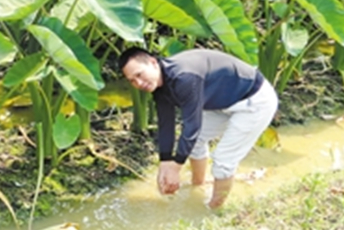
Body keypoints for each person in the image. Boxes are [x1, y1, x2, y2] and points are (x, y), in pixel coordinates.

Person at [118, 47, 278, 209]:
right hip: (222, 103)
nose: (138, 83)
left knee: (223, 160)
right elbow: (166, 124)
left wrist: (176, 167)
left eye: (139, 74)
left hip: (254, 101)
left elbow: (192, 126)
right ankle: (198, 186)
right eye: (132, 80)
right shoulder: (159, 84)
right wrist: (165, 162)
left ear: (153, 63)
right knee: (195, 143)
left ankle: (214, 210)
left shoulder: (184, 77)